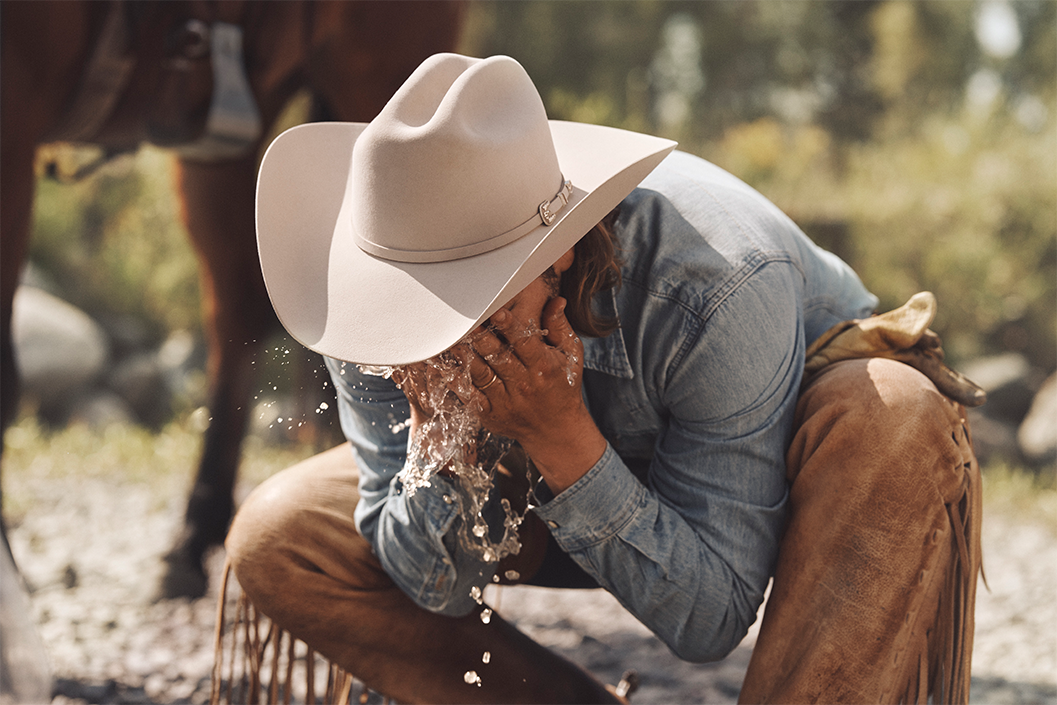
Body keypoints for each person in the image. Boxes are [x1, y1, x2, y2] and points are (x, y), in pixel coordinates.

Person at [222, 53, 984, 704]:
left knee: (894, 411)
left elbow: (710, 619)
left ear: (557, 252)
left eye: (466, 299)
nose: (436, 338)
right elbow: (432, 590)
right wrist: (441, 443)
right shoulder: (369, 300)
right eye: (414, 305)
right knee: (281, 535)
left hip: (777, 473)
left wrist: (562, 436)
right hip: (548, 481)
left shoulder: (716, 282)